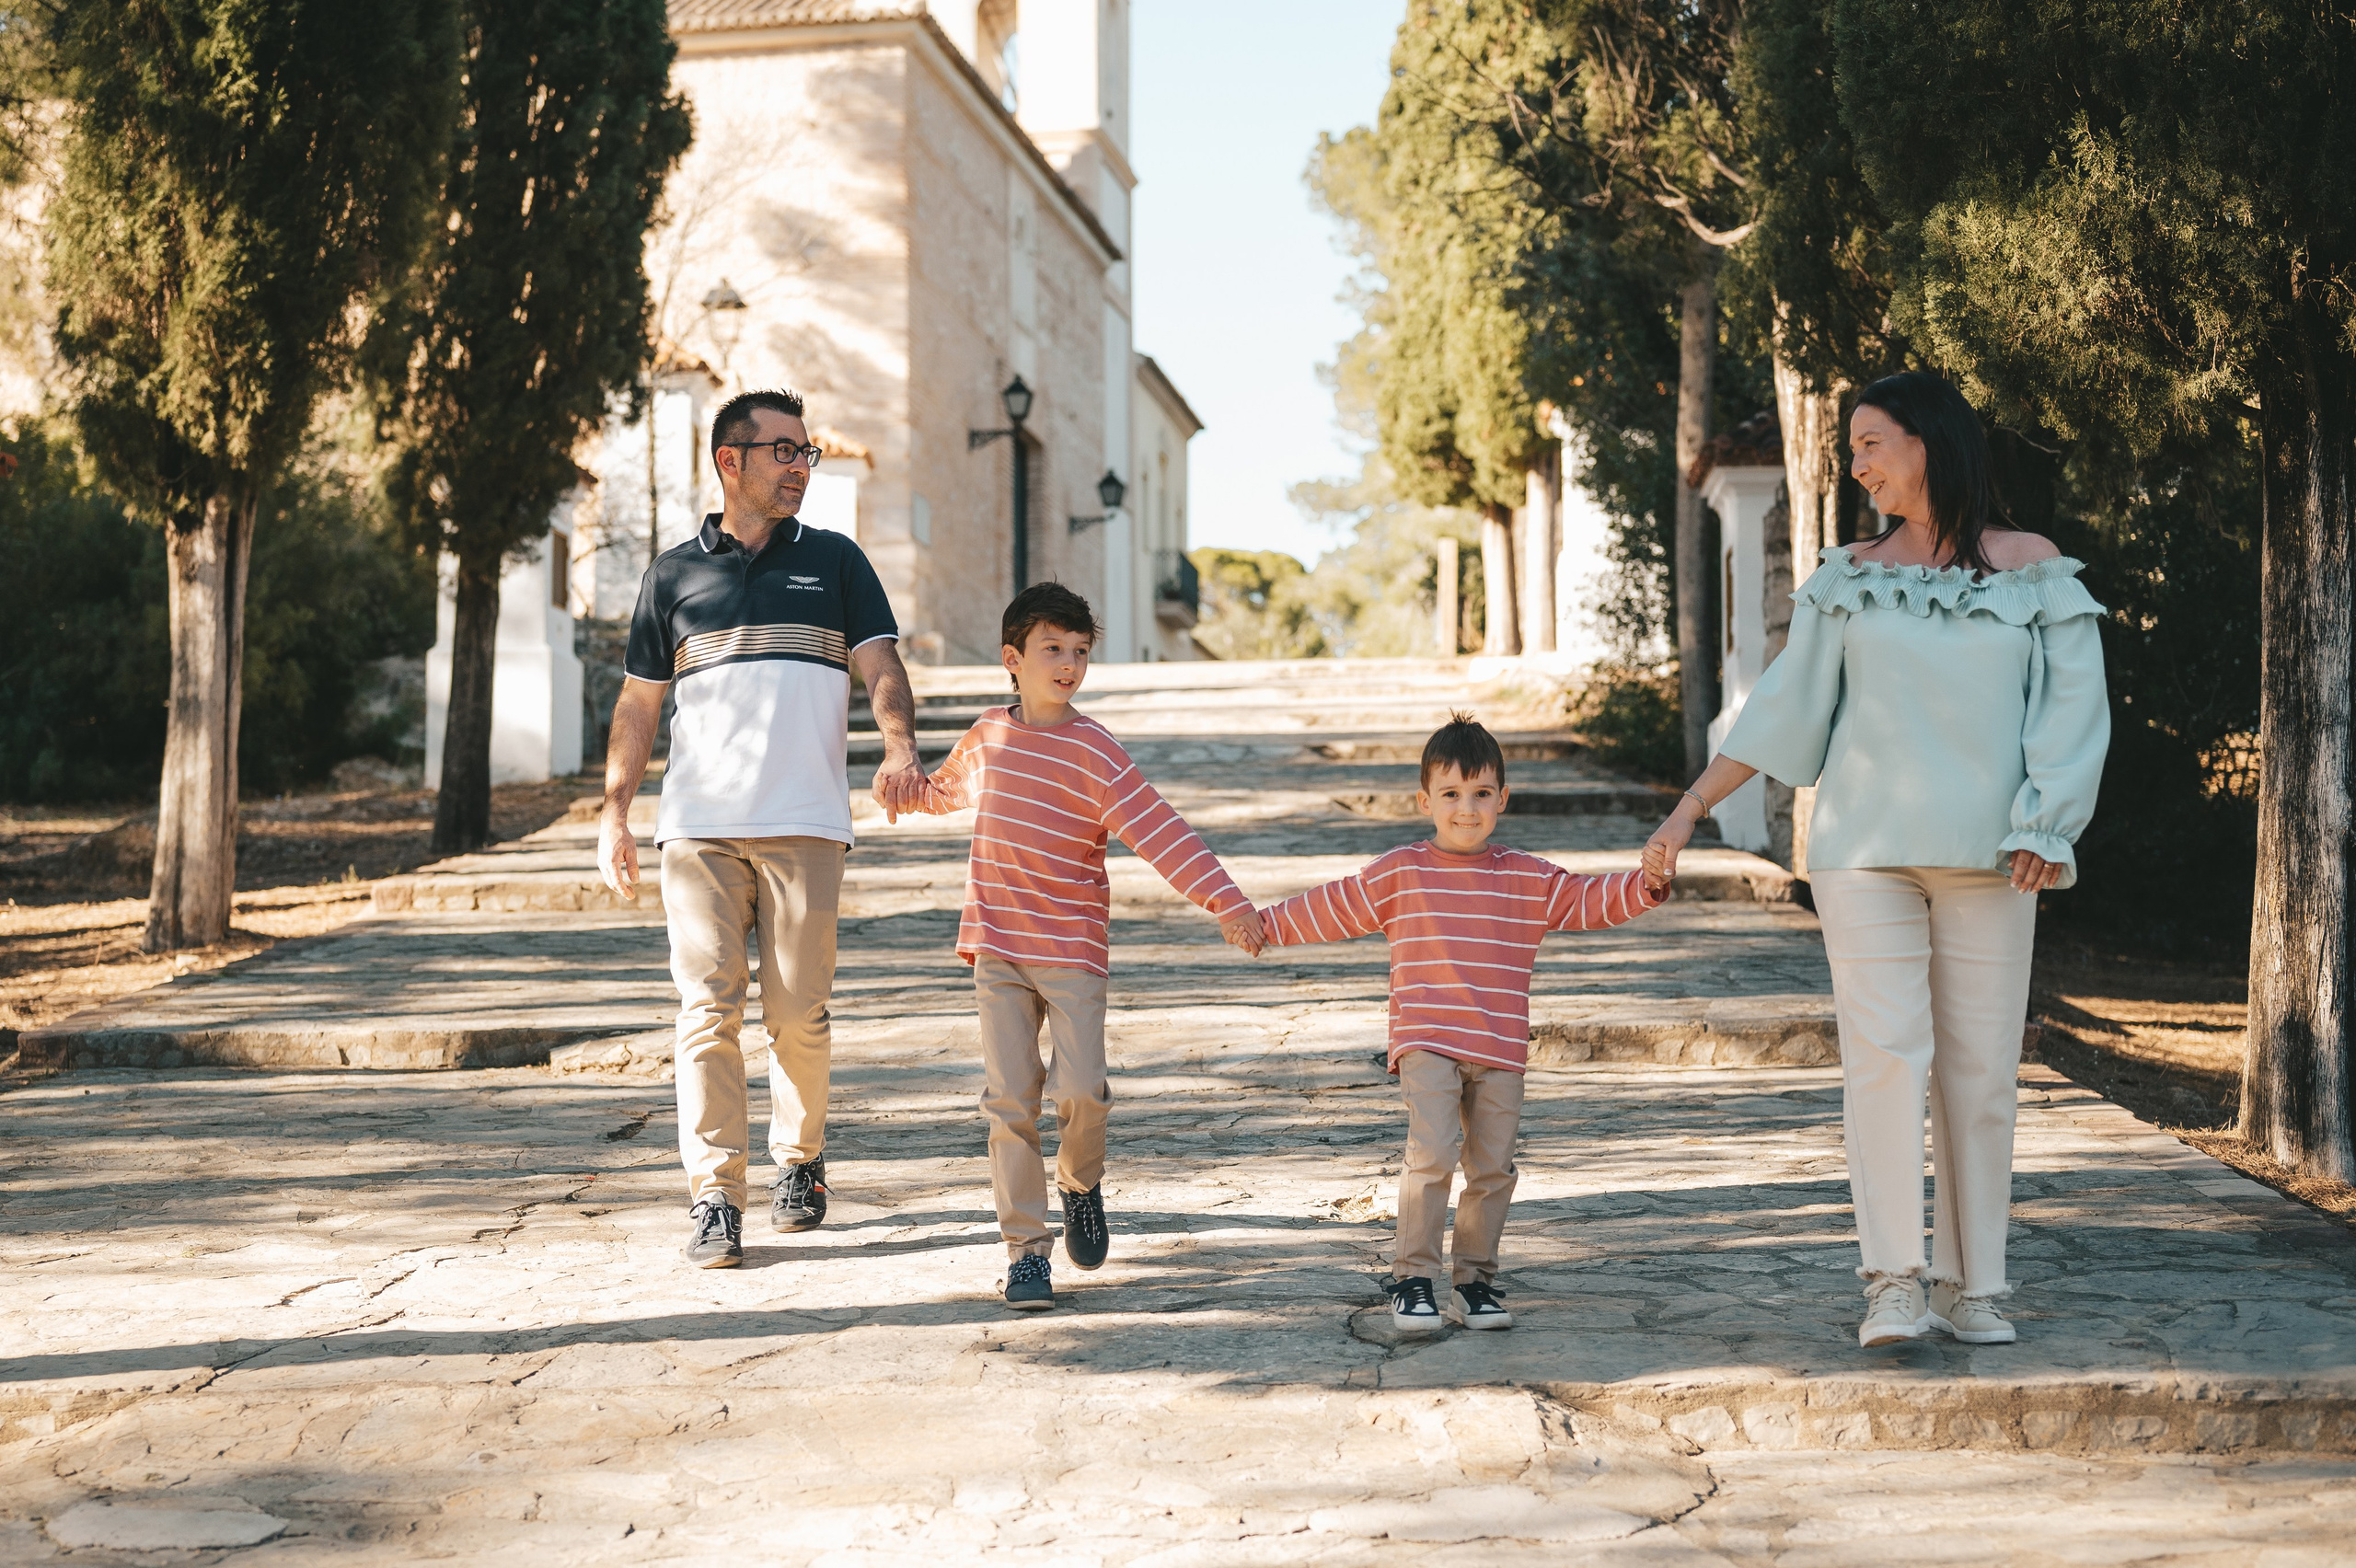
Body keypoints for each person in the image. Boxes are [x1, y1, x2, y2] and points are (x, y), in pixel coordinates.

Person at [1644, 370, 2110, 1350]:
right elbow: (1783, 706)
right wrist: (1690, 809)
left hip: (1997, 855)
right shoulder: (1846, 576)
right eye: (1851, 446)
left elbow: (2071, 710)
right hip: (1862, 857)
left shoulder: (2033, 568)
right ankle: (1893, 1281)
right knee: (1884, 1062)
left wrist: (2047, 823)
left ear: (1928, 441)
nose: (1855, 464)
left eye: (1870, 443)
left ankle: (1973, 1287)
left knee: (1981, 1072)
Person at [598, 387, 927, 1269]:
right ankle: (714, 1196)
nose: (799, 467)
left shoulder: (837, 562)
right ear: (729, 460)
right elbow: (639, 704)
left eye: (805, 452)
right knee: (706, 1013)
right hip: (697, 831)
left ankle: (801, 1159)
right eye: (782, 451)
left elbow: (881, 665)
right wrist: (615, 811)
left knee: (798, 1015)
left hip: (806, 824)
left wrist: (899, 746)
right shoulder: (672, 576)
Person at [898, 582, 1265, 1310]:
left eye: (1080, 652)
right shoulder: (988, 736)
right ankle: (1025, 1253)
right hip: (999, 945)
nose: (1068, 665)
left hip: (1071, 949)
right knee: (1009, 1100)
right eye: (1052, 650)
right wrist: (899, 783)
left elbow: (1161, 832)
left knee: (1081, 1093)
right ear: (1013, 659)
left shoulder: (1097, 751)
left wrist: (1226, 900)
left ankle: (1081, 1182)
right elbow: (940, 792)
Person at [1251, 714, 1668, 1332]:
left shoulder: (1529, 877)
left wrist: (1646, 884)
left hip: (1500, 1046)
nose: (1466, 809)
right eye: (1450, 794)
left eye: (1480, 794)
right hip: (1427, 1040)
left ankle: (1474, 1283)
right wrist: (1264, 926)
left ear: (1503, 798)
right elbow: (1334, 905)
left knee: (1493, 1168)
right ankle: (1412, 1279)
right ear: (1425, 801)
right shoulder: (1402, 871)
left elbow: (1588, 901)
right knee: (1433, 1151)